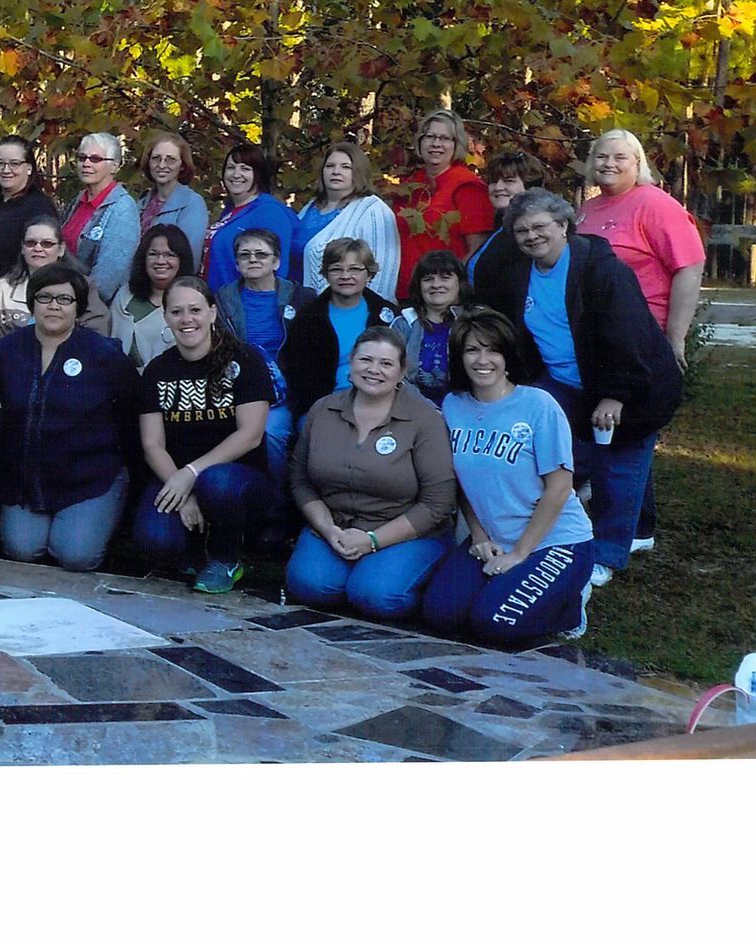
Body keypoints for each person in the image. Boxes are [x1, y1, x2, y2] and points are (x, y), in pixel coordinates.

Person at [471, 190, 682, 587]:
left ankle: (606, 554)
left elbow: (629, 336)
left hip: (631, 383)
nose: (532, 236)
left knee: (617, 464)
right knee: (544, 444)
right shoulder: (520, 271)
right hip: (565, 382)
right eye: (521, 231)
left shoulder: (602, 271)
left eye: (540, 226)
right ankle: (620, 526)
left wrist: (615, 395)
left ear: (564, 225)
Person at [423, 308, 598, 644]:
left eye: (493, 350)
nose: (482, 360)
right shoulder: (453, 406)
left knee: (494, 623)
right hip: (493, 538)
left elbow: (559, 488)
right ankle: (504, 585)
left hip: (555, 541)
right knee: (440, 614)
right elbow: (462, 483)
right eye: (472, 350)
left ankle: (570, 606)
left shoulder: (539, 405)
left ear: (508, 356)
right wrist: (478, 535)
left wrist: (519, 554)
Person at [284, 326, 457, 620]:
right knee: (310, 586)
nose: (374, 370)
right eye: (366, 360)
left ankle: (409, 579)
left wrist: (372, 541)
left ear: (402, 371)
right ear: (351, 362)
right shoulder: (322, 410)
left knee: (375, 596)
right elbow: (300, 480)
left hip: (405, 531)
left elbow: (437, 503)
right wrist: (327, 529)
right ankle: (356, 571)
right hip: (337, 525)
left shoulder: (425, 419)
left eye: (386, 363)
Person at [0, 262, 141, 571]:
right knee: (21, 549)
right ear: (33, 302)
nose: (54, 306)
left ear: (78, 306)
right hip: (26, 480)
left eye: (64, 299)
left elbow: (130, 415)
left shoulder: (104, 355)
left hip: (89, 478)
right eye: (44, 297)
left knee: (76, 555)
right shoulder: (8, 351)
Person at [133, 276, 275, 594]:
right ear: (166, 317)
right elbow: (152, 444)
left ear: (212, 312)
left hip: (236, 480)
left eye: (195, 310)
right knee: (155, 540)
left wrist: (191, 473)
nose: (187, 319)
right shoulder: (157, 371)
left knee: (216, 483)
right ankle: (194, 548)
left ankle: (227, 558)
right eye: (177, 312)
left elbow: (250, 435)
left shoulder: (246, 360)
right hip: (176, 475)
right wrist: (181, 488)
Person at [577, 128, 705, 367]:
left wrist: (675, 337)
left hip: (642, 334)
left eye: (620, 157)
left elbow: (690, 267)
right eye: (601, 156)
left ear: (637, 163)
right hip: (596, 333)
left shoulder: (655, 204)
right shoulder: (588, 208)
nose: (609, 163)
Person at [216, 227, 314, 471]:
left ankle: (278, 492)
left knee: (270, 432)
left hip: (288, 391)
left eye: (261, 254)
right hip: (240, 388)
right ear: (237, 263)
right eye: (245, 255)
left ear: (276, 261)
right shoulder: (222, 300)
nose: (252, 260)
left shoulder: (301, 298)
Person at [280, 237, 400, 419]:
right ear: (326, 274)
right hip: (323, 405)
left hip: (381, 402)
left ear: (369, 274)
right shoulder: (307, 318)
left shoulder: (387, 316)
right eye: (336, 269)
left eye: (354, 269)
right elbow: (300, 378)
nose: (345, 276)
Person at [392, 107, 494, 300]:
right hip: (403, 293)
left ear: (457, 144)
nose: (436, 143)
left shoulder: (468, 186)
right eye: (430, 136)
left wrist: (446, 291)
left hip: (443, 296)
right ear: (420, 141)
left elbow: (477, 252)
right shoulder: (408, 185)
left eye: (445, 138)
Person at [0, 214, 110, 357]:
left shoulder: (83, 287)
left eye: (47, 243)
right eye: (30, 243)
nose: (38, 248)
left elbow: (96, 335)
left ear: (61, 249)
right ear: (22, 248)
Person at [294, 140, 400, 295]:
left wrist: (368, 309)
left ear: (358, 172)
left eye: (346, 167)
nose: (336, 171)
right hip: (299, 303)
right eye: (330, 166)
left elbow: (382, 276)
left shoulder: (373, 210)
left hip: (346, 306)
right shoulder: (310, 207)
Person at [203, 141, 299, 291]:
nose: (236, 174)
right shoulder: (230, 211)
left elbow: (276, 270)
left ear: (258, 174)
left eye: (245, 168)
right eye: (231, 168)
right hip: (217, 298)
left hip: (244, 301)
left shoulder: (269, 212)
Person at [61, 131, 141, 308]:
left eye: (95, 159)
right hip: (64, 299)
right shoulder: (78, 201)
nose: (86, 164)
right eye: (82, 158)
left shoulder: (122, 208)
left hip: (93, 308)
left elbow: (106, 280)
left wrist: (74, 304)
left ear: (114, 167)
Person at [110, 223, 196, 370]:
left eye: (170, 255)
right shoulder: (125, 295)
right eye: (153, 254)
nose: (160, 261)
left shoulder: (193, 303)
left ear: (182, 260)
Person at [0, 134, 58, 282]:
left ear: (29, 168)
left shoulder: (39, 208)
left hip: (12, 289)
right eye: (0, 163)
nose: (6, 170)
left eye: (14, 163)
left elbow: (42, 259)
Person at [397, 250, 471, 401]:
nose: (436, 285)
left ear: (460, 283)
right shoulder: (403, 324)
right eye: (428, 279)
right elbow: (393, 374)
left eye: (445, 278)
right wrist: (428, 409)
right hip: (412, 405)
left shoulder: (473, 322)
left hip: (463, 405)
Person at [468, 148, 546, 278]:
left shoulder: (532, 230)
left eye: (509, 181)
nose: (498, 187)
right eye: (494, 181)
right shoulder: (502, 225)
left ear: (529, 186)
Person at [135, 129, 209, 248]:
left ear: (182, 165)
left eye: (170, 160)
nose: (162, 165)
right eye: (156, 158)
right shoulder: (142, 204)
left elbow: (190, 254)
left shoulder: (192, 203)